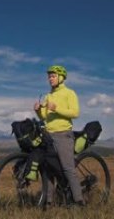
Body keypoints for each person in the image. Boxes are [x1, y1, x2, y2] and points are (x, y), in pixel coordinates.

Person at [33, 65, 85, 207]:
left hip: (63, 135)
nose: (50, 79)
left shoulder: (69, 93)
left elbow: (75, 113)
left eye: (53, 76)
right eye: (49, 76)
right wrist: (38, 111)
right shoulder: (49, 95)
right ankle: (48, 202)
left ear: (61, 78)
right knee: (49, 169)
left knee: (68, 169)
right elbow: (44, 116)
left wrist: (56, 108)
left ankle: (79, 201)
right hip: (49, 135)